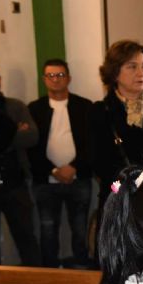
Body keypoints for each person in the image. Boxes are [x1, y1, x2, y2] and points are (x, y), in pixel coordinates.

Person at [89, 40, 143, 223]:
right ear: (115, 72)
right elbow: (97, 160)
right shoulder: (100, 111)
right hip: (117, 199)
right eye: (132, 67)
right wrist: (133, 182)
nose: (141, 73)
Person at [28, 59, 93, 268]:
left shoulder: (84, 106)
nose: (55, 79)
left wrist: (73, 167)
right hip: (45, 181)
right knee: (47, 230)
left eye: (60, 75)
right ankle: (50, 273)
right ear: (44, 79)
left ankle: (82, 272)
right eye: (50, 75)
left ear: (69, 78)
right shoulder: (34, 109)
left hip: (79, 178)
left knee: (80, 229)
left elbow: (91, 144)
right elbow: (32, 148)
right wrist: (54, 170)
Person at [0, 59, 41, 266]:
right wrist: (13, 132)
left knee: (27, 237)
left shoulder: (15, 106)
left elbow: (32, 137)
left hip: (15, 183)